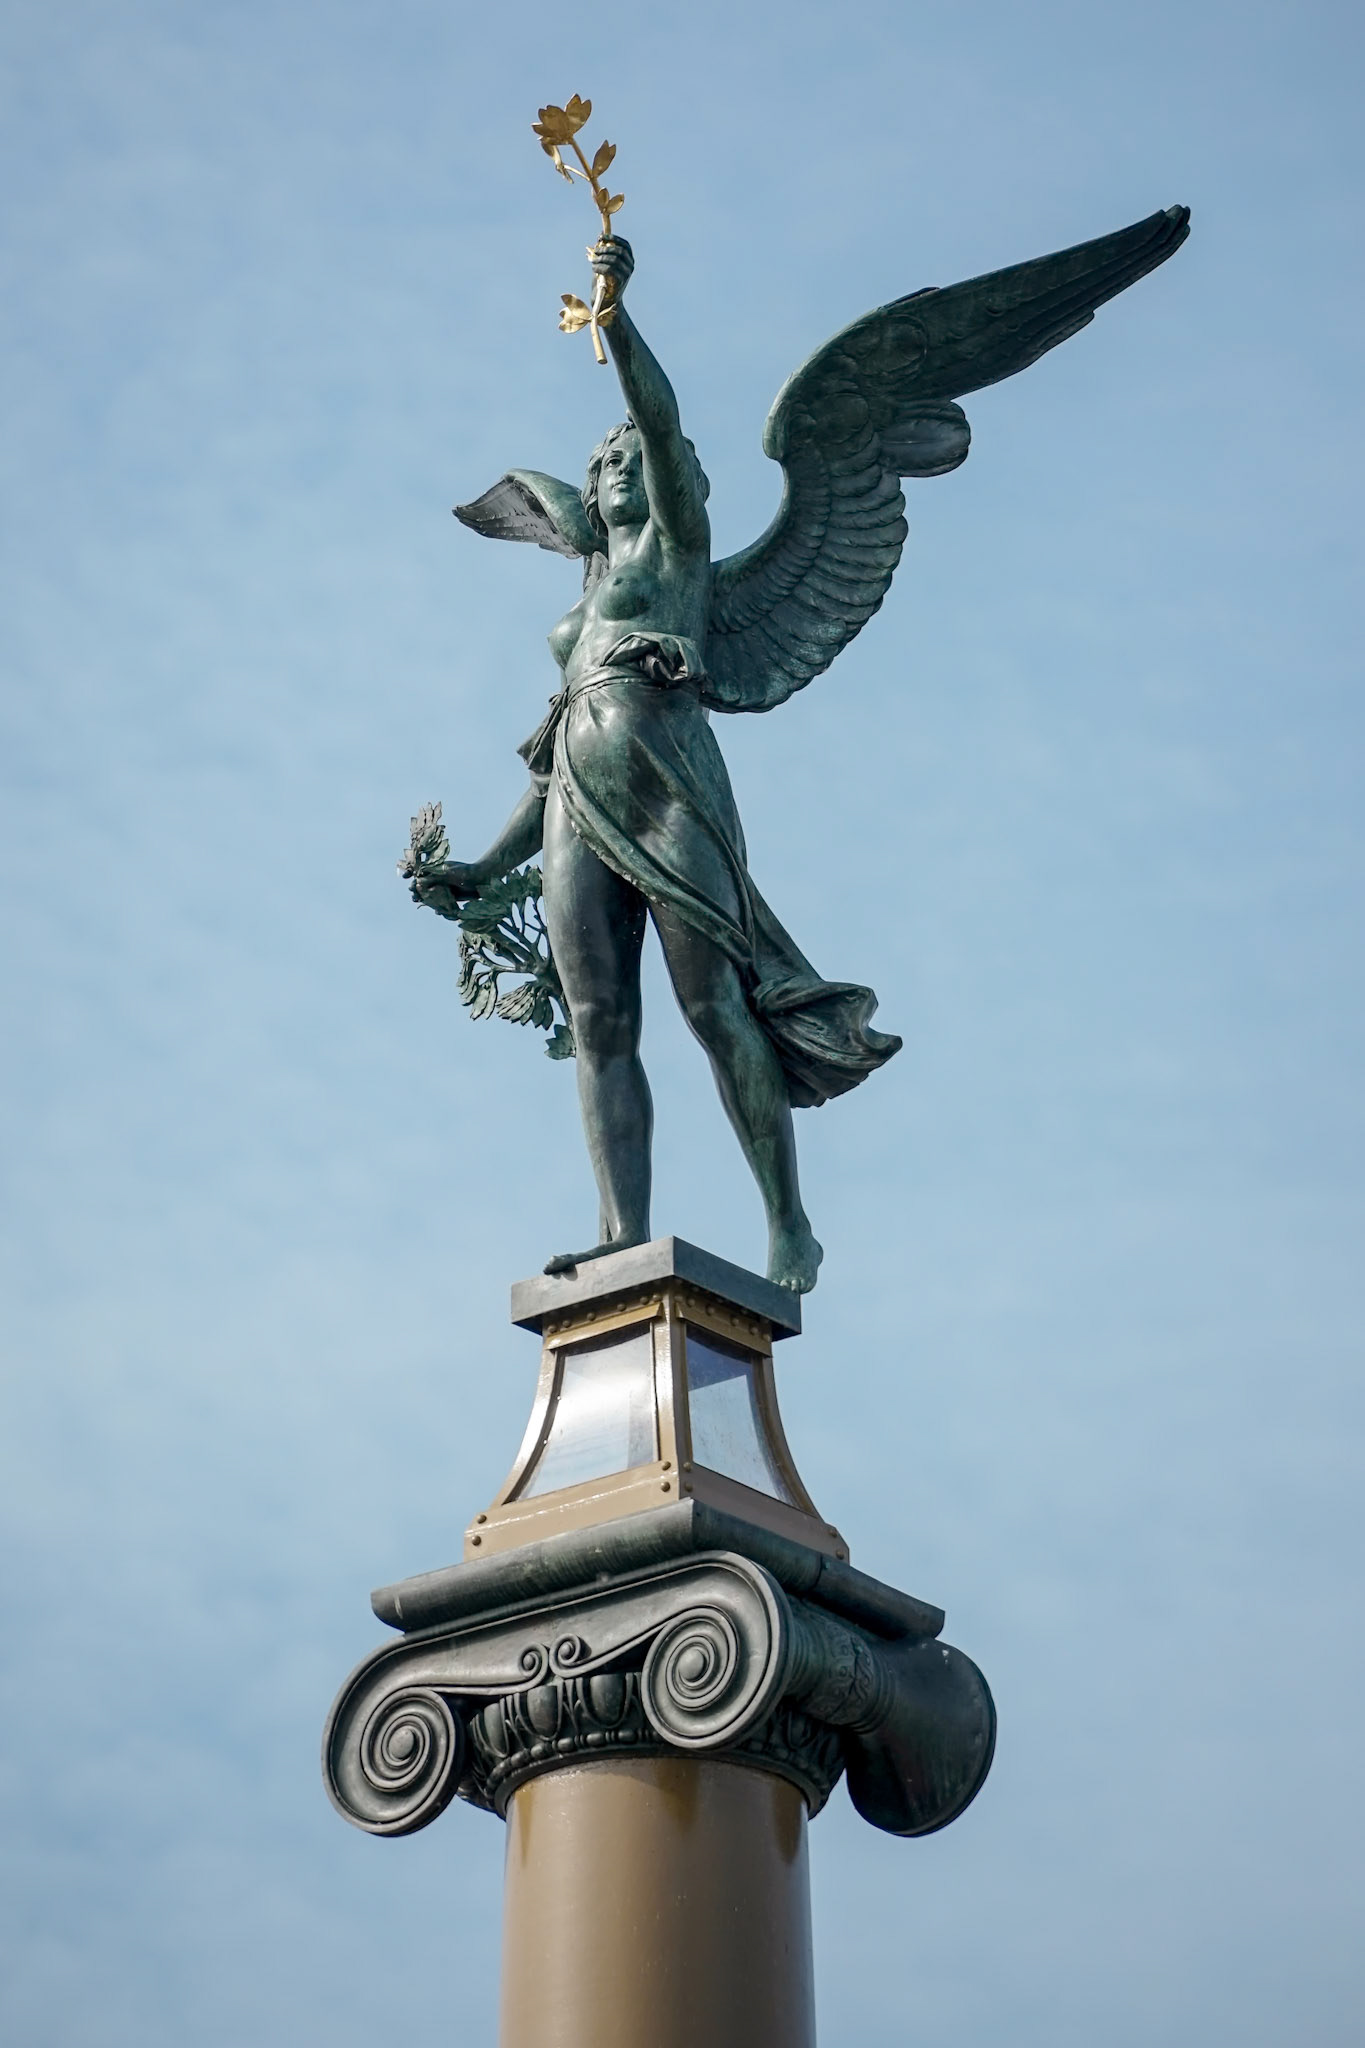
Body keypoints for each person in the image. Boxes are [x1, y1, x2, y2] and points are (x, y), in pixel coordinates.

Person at [414, 238, 899, 1293]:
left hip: (667, 773)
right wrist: (481, 871)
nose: (614, 464)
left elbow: (664, 420)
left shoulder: (678, 553)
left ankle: (789, 1221)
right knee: (601, 1019)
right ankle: (618, 1227)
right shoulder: (586, 598)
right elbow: (547, 763)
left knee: (712, 1004)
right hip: (579, 788)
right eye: (604, 461)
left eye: (629, 456)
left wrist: (614, 315)